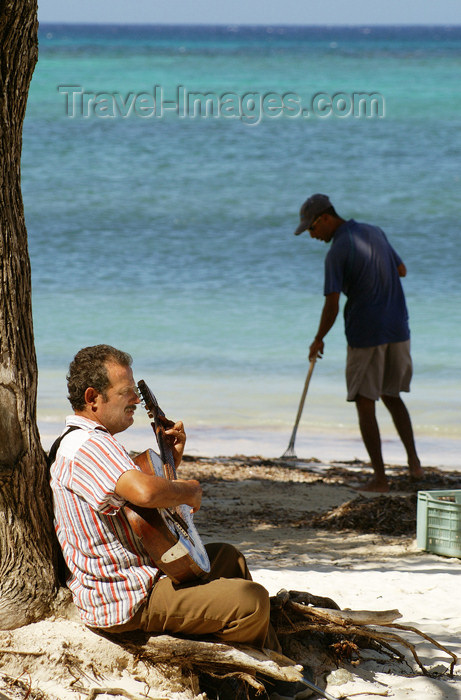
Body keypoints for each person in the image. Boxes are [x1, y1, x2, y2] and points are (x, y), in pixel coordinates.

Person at [49, 344, 282, 655]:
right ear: (93, 398)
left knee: (229, 557)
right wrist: (190, 491)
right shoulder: (86, 444)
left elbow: (142, 506)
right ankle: (271, 674)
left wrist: (171, 461)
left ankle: (272, 655)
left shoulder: (92, 443)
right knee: (251, 602)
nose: (135, 399)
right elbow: (146, 492)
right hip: (127, 597)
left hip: (142, 574)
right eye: (126, 392)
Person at [294, 194, 423, 493]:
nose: (313, 236)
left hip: (366, 333)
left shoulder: (337, 251)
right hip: (398, 327)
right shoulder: (374, 231)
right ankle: (414, 464)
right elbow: (401, 270)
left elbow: (332, 305)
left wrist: (318, 338)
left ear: (325, 218)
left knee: (365, 402)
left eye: (312, 229)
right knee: (392, 395)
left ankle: (380, 479)